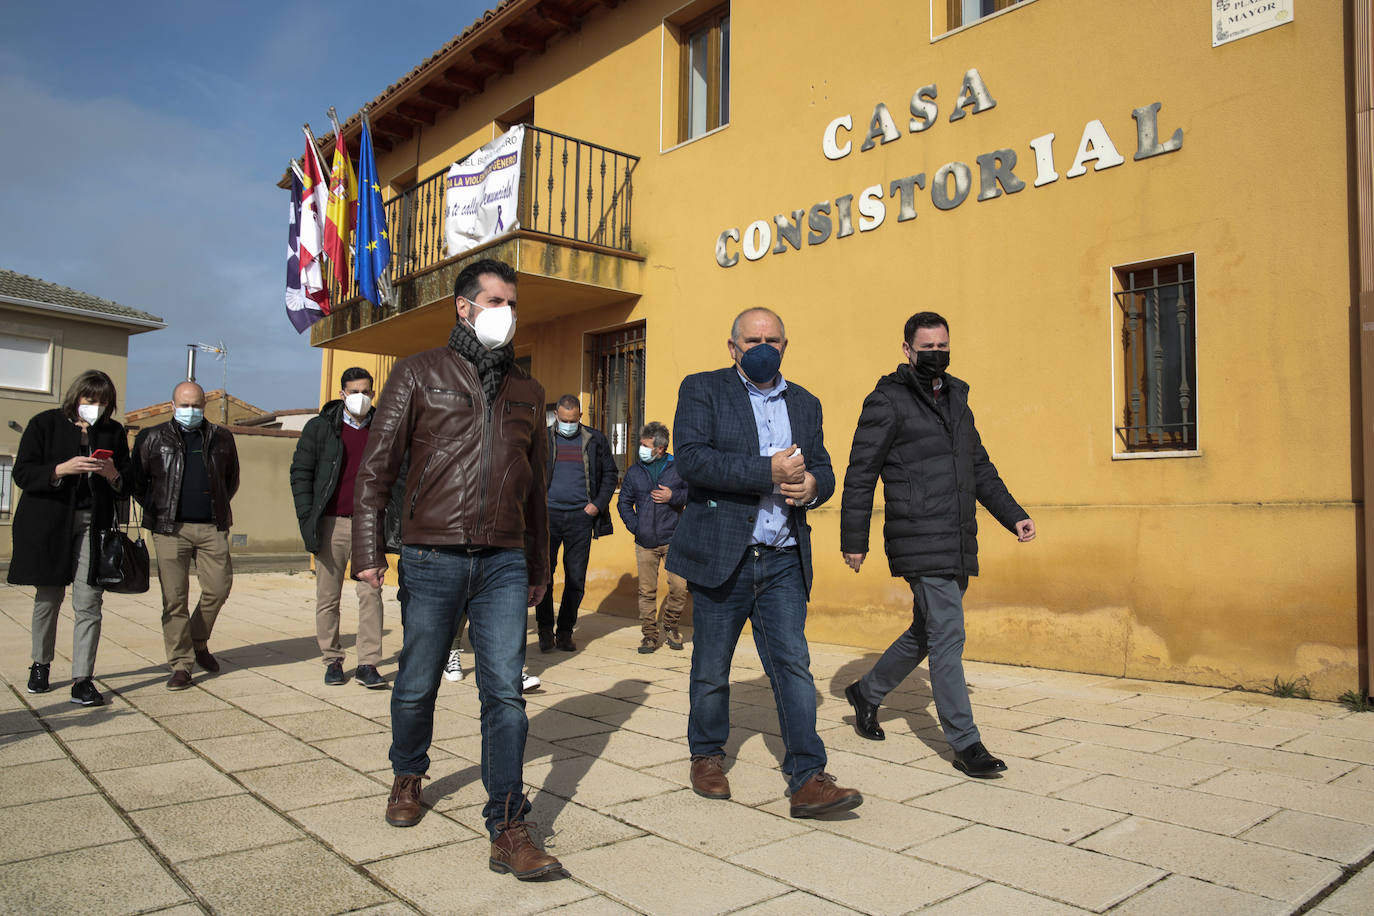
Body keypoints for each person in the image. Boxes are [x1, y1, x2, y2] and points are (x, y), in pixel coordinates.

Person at [352, 257, 561, 880]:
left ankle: (507, 824)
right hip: (431, 553)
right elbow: (377, 469)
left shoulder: (528, 390)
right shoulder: (418, 373)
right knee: (417, 681)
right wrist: (369, 552)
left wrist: (537, 562)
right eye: (496, 301)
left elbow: (535, 489)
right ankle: (408, 773)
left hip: (502, 559)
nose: (508, 314)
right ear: (464, 307)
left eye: (513, 304)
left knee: (505, 692)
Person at [666, 308, 862, 818]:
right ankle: (707, 755)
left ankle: (808, 777)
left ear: (785, 345)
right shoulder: (703, 389)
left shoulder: (806, 402)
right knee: (712, 667)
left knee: (794, 666)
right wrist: (767, 472)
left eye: (772, 339)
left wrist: (815, 485)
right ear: (732, 347)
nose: (763, 345)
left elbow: (822, 465)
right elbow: (692, 458)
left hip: (782, 557)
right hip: (722, 554)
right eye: (752, 338)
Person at [840, 311, 1036, 778]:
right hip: (917, 533)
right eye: (926, 347)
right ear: (907, 350)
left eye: (941, 346)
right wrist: (854, 539)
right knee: (949, 633)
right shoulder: (886, 400)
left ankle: (867, 693)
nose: (935, 354)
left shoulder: (957, 400)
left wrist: (1014, 516)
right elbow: (861, 472)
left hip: (956, 534)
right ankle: (966, 743)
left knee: (928, 631)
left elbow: (979, 467)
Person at [8, 370, 129, 707]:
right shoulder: (44, 423)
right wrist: (60, 470)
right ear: (77, 397)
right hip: (49, 523)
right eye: (90, 400)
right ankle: (40, 664)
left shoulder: (113, 431)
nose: (95, 407)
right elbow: (22, 473)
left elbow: (127, 482)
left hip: (94, 523)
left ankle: (82, 679)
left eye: (103, 402)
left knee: (89, 601)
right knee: (48, 597)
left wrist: (113, 474)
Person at [131, 381, 239, 691]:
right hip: (170, 529)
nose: (190, 410)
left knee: (218, 588)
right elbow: (138, 482)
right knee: (174, 599)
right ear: (173, 404)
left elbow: (231, 479)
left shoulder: (222, 438)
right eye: (184, 404)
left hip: (211, 526)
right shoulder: (151, 437)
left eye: (196, 405)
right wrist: (157, 507)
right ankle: (181, 664)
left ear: (204, 405)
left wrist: (214, 505)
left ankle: (197, 640)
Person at [290, 367, 388, 689]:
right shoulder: (320, 428)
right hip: (331, 522)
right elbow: (301, 473)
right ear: (343, 393)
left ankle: (368, 663)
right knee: (328, 597)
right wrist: (307, 516)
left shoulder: (383, 429)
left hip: (368, 524)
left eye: (367, 391)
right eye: (354, 391)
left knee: (371, 593)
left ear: (373, 394)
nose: (361, 397)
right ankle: (332, 659)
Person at [534, 394, 616, 653]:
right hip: (547, 517)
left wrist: (598, 504)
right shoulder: (542, 438)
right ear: (556, 416)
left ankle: (566, 631)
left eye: (573, 419)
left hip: (581, 518)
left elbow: (610, 474)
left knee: (576, 578)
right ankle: (545, 630)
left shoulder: (595, 440)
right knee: (543, 575)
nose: (568, 424)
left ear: (580, 416)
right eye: (563, 419)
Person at [617, 421, 688, 653]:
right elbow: (623, 502)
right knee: (646, 591)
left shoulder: (678, 468)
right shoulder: (635, 471)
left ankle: (671, 624)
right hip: (645, 542)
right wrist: (636, 526)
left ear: (660, 448)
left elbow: (693, 494)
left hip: (674, 539)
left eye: (646, 445)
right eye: (641, 444)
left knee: (679, 586)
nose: (641, 449)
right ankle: (649, 635)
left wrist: (673, 496)